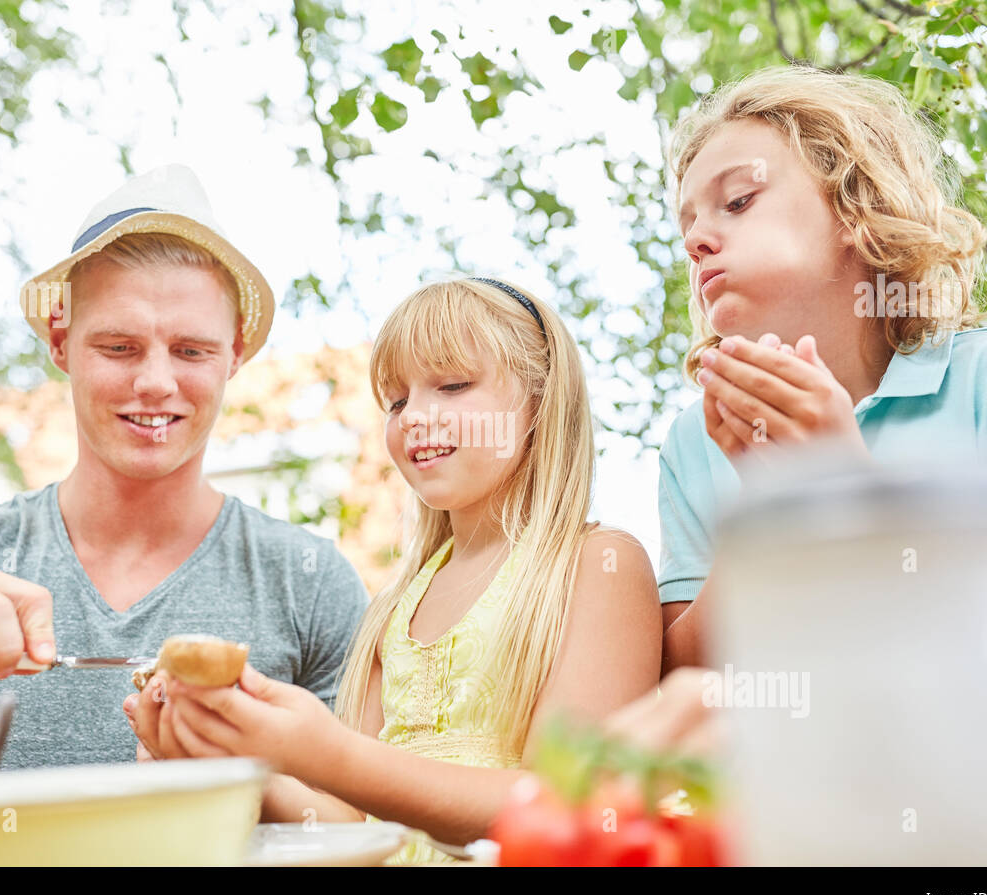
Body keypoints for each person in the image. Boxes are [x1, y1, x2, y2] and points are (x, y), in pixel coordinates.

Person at [0, 164, 367, 774]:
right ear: (60, 341)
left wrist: (236, 776)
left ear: (233, 354)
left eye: (191, 351)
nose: (155, 382)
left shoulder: (311, 586)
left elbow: (357, 811)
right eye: (118, 348)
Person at [127, 277, 662, 857]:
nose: (414, 418)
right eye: (398, 401)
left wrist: (322, 751)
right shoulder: (394, 605)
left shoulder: (598, 567)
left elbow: (561, 812)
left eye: (453, 385)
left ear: (539, 401)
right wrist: (244, 768)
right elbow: (352, 821)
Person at [657, 66, 987, 672]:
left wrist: (845, 486)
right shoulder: (694, 442)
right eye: (686, 226)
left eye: (737, 201)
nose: (696, 241)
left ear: (854, 209)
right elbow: (683, 678)